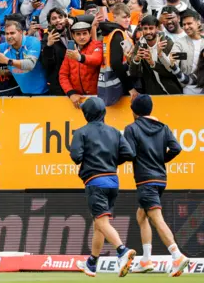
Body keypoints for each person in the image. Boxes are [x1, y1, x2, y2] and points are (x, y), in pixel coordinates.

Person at [124, 95, 189, 277]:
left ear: (134, 111)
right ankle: (146, 260)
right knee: (141, 216)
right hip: (160, 179)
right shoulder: (163, 127)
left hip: (145, 180)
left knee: (156, 218)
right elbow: (176, 148)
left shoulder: (132, 128)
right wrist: (161, 159)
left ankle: (177, 256)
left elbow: (129, 153)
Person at [71, 96, 136, 278]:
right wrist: (112, 160)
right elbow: (129, 154)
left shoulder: (81, 132)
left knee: (100, 221)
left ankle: (122, 251)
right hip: (113, 181)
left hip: (95, 181)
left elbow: (76, 156)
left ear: (86, 114)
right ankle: (92, 263)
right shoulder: (115, 132)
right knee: (99, 223)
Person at [129, 15, 182, 95]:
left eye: (151, 28)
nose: (148, 32)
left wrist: (153, 63)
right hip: (152, 92)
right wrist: (136, 60)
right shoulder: (139, 45)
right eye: (145, 28)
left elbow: (172, 72)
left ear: (157, 28)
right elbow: (134, 74)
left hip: (172, 91)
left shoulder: (167, 43)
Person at [59, 20, 102, 108]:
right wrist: (71, 93)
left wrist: (79, 57)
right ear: (73, 36)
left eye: (84, 33)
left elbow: (96, 60)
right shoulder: (70, 51)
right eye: (78, 34)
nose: (82, 37)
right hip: (77, 99)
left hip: (96, 98)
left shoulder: (97, 45)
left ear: (90, 34)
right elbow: (63, 75)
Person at [171, 9, 203, 95]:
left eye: (189, 23)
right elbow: (173, 62)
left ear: (198, 23)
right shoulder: (180, 43)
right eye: (184, 24)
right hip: (189, 87)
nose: (186, 27)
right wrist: (171, 62)